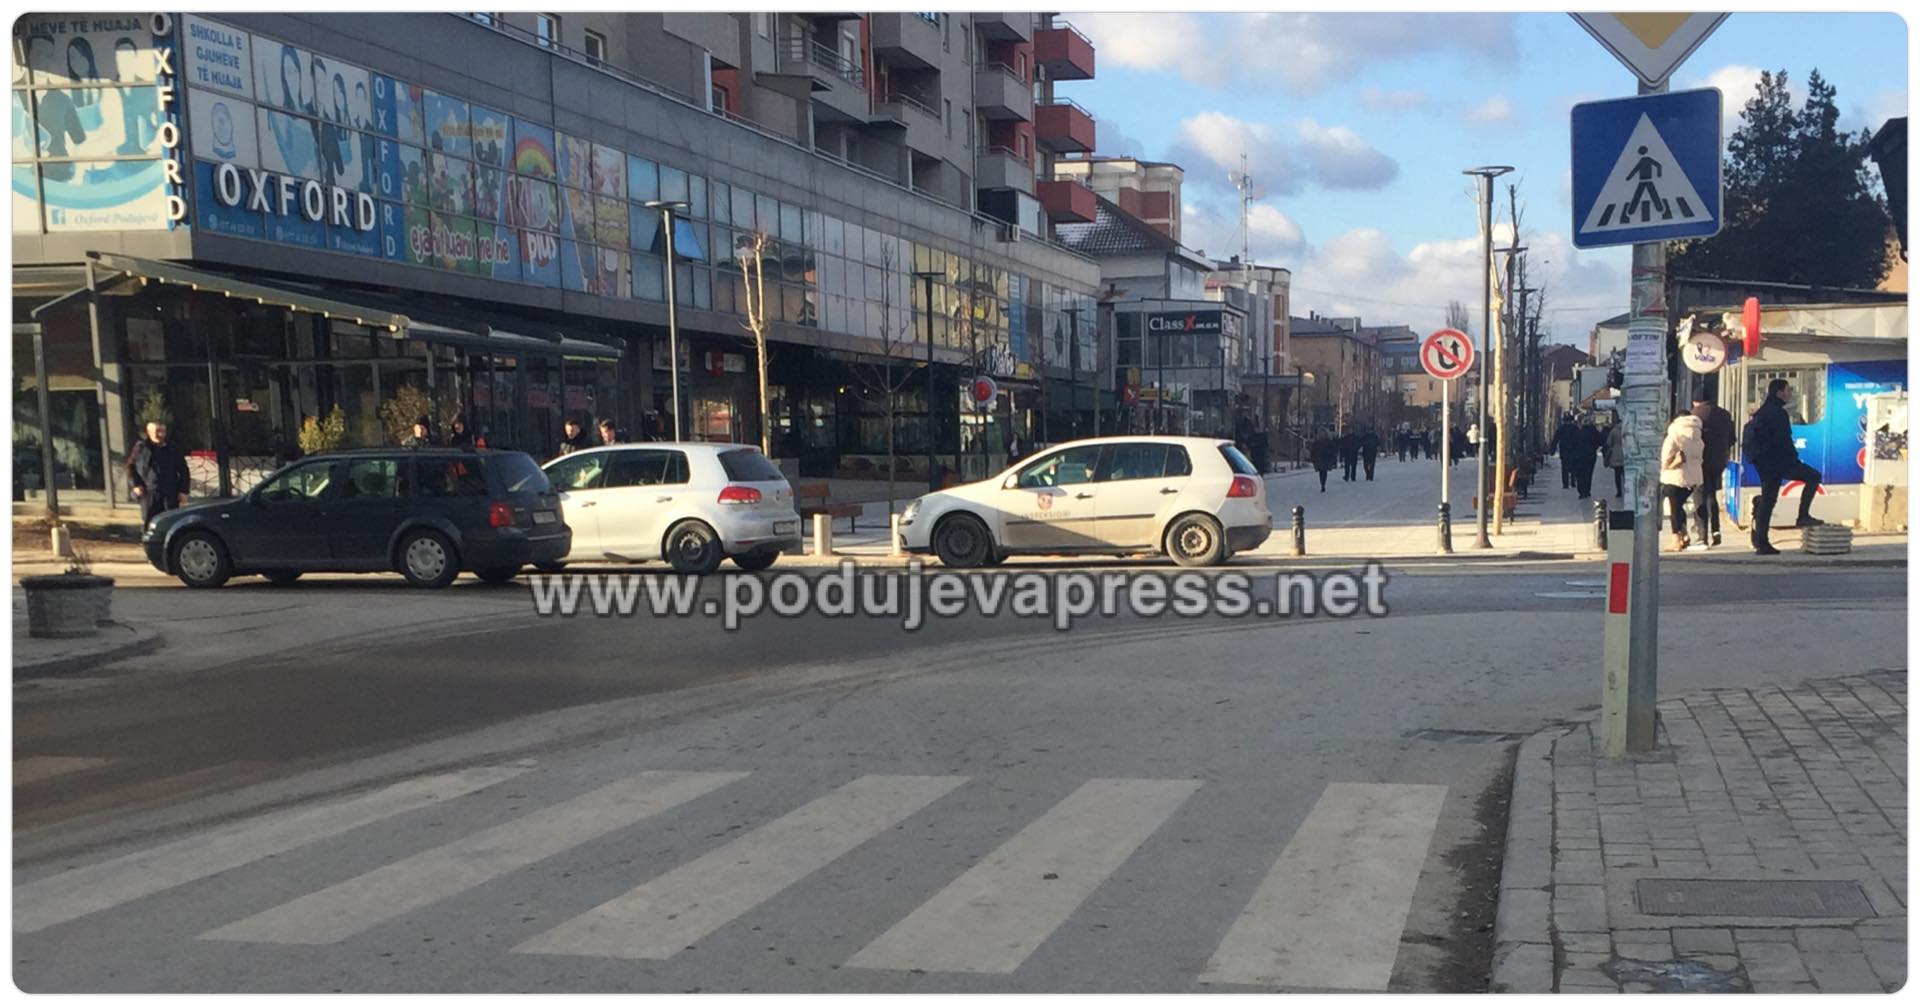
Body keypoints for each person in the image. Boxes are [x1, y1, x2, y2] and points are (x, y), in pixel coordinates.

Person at [1745, 377, 1825, 555]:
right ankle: (1802, 516)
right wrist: (1793, 459)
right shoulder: (1778, 413)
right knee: (1813, 476)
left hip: (1764, 462)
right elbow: (1782, 440)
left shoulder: (1764, 411)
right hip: (1778, 461)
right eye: (1788, 390)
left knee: (1768, 500)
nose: (1790, 393)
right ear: (1779, 392)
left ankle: (1762, 541)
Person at [1691, 391, 1737, 547]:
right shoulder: (1724, 414)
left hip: (1700, 461)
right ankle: (1716, 531)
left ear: (1695, 402)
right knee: (1712, 495)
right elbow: (1732, 438)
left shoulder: (1693, 416)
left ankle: (1701, 535)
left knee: (1699, 496)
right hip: (1719, 461)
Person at [126, 420, 190, 527]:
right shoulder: (141, 448)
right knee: (150, 523)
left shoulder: (172, 448)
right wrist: (135, 485)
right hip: (149, 493)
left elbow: (183, 470)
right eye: (157, 431)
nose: (160, 434)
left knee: (171, 522)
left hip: (170, 493)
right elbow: (130, 467)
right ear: (149, 432)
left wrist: (184, 490)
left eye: (163, 431)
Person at [1659, 409, 1705, 551]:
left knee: (1674, 509)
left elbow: (1665, 457)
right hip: (1692, 477)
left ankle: (1676, 540)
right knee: (1679, 507)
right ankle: (1684, 535)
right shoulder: (1698, 435)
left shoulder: (1674, 434)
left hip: (1674, 476)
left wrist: (1665, 465)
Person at [1549, 414, 1582, 489]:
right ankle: (1572, 482)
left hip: (1564, 451)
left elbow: (1555, 440)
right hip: (1574, 451)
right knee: (1573, 467)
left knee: (1564, 468)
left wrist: (1552, 450)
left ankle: (1565, 483)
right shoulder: (1575, 429)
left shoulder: (1561, 429)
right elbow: (1580, 439)